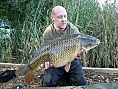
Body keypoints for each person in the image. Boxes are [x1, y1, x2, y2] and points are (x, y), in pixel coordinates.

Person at [41, 5, 87, 87]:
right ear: (52, 18)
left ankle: (67, 76)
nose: (64, 20)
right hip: (55, 61)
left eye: (65, 16)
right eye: (60, 17)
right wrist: (46, 62)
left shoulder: (73, 30)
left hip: (71, 61)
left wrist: (80, 54)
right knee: (47, 83)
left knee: (81, 83)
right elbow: (46, 53)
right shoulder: (48, 33)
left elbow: (79, 53)